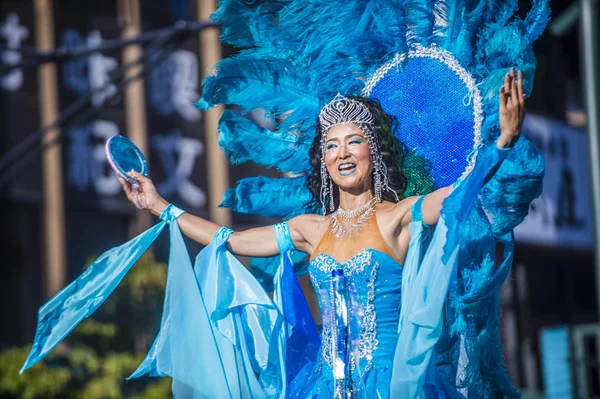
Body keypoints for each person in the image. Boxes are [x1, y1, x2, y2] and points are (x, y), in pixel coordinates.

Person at [114, 70, 525, 398]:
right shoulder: (309, 229)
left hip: (391, 386)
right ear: (323, 160)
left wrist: (503, 143)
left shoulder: (396, 217)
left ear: (373, 153)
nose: (342, 153)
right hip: (322, 386)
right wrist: (159, 206)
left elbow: (456, 198)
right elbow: (231, 240)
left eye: (353, 142)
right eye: (331, 145)